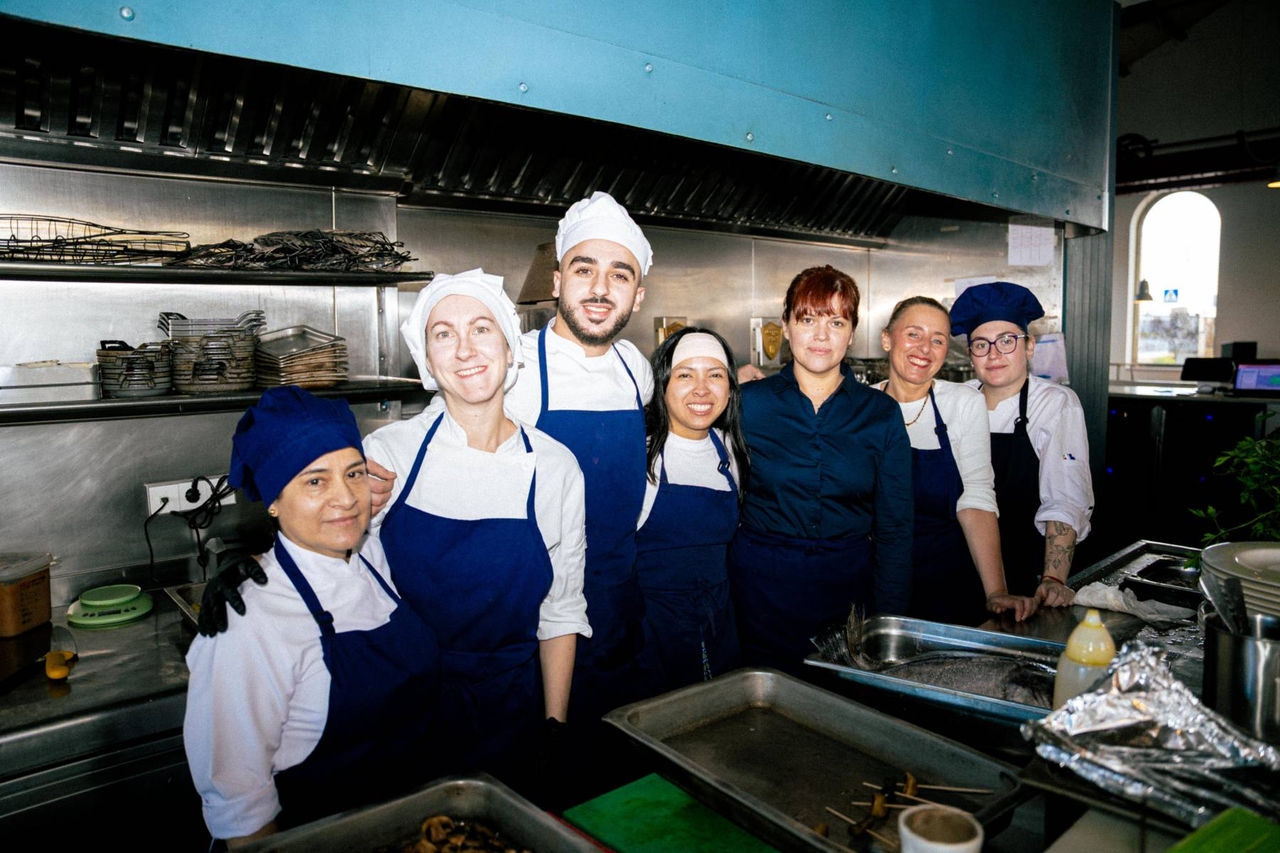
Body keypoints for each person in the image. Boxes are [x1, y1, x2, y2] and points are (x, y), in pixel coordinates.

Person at [183, 386, 440, 848]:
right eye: (314, 481)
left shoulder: (371, 558)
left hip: (409, 829)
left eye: (354, 473)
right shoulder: (248, 619)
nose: (346, 498)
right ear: (274, 500)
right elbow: (239, 804)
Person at [364, 268, 588, 778]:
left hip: (511, 708)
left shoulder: (554, 467)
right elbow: (339, 577)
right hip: (400, 705)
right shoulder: (386, 456)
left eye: (481, 328)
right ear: (427, 360)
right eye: (444, 334)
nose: (464, 349)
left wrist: (554, 723)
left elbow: (560, 611)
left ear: (510, 348)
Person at [501, 190, 655, 725]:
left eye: (620, 274)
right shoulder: (513, 369)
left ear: (637, 295)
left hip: (619, 601)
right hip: (535, 612)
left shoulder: (637, 369)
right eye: (583, 269)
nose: (599, 288)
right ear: (557, 281)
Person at [729, 265, 914, 674]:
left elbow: (896, 529)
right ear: (787, 327)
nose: (820, 335)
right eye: (807, 319)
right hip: (760, 589)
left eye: (836, 321)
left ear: (851, 332)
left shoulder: (880, 414)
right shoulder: (746, 403)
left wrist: (889, 623)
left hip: (847, 593)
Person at [876, 296, 1037, 625]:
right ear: (886, 338)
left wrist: (996, 591)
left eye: (938, 340)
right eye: (914, 334)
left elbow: (976, 497)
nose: (925, 348)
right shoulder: (861, 407)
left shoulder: (963, 402)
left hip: (945, 581)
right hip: (873, 581)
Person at [948, 281, 1094, 606]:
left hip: (1021, 580)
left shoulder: (1055, 403)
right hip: (952, 570)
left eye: (1007, 341)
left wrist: (1053, 578)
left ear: (1029, 347)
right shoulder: (956, 401)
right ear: (971, 354)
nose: (994, 354)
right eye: (981, 344)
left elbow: (1065, 499)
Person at [635, 327, 749, 695]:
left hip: (720, 628)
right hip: (651, 635)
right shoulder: (641, 456)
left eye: (715, 375)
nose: (702, 390)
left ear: (730, 388)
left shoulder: (729, 450)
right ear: (663, 385)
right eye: (686, 375)